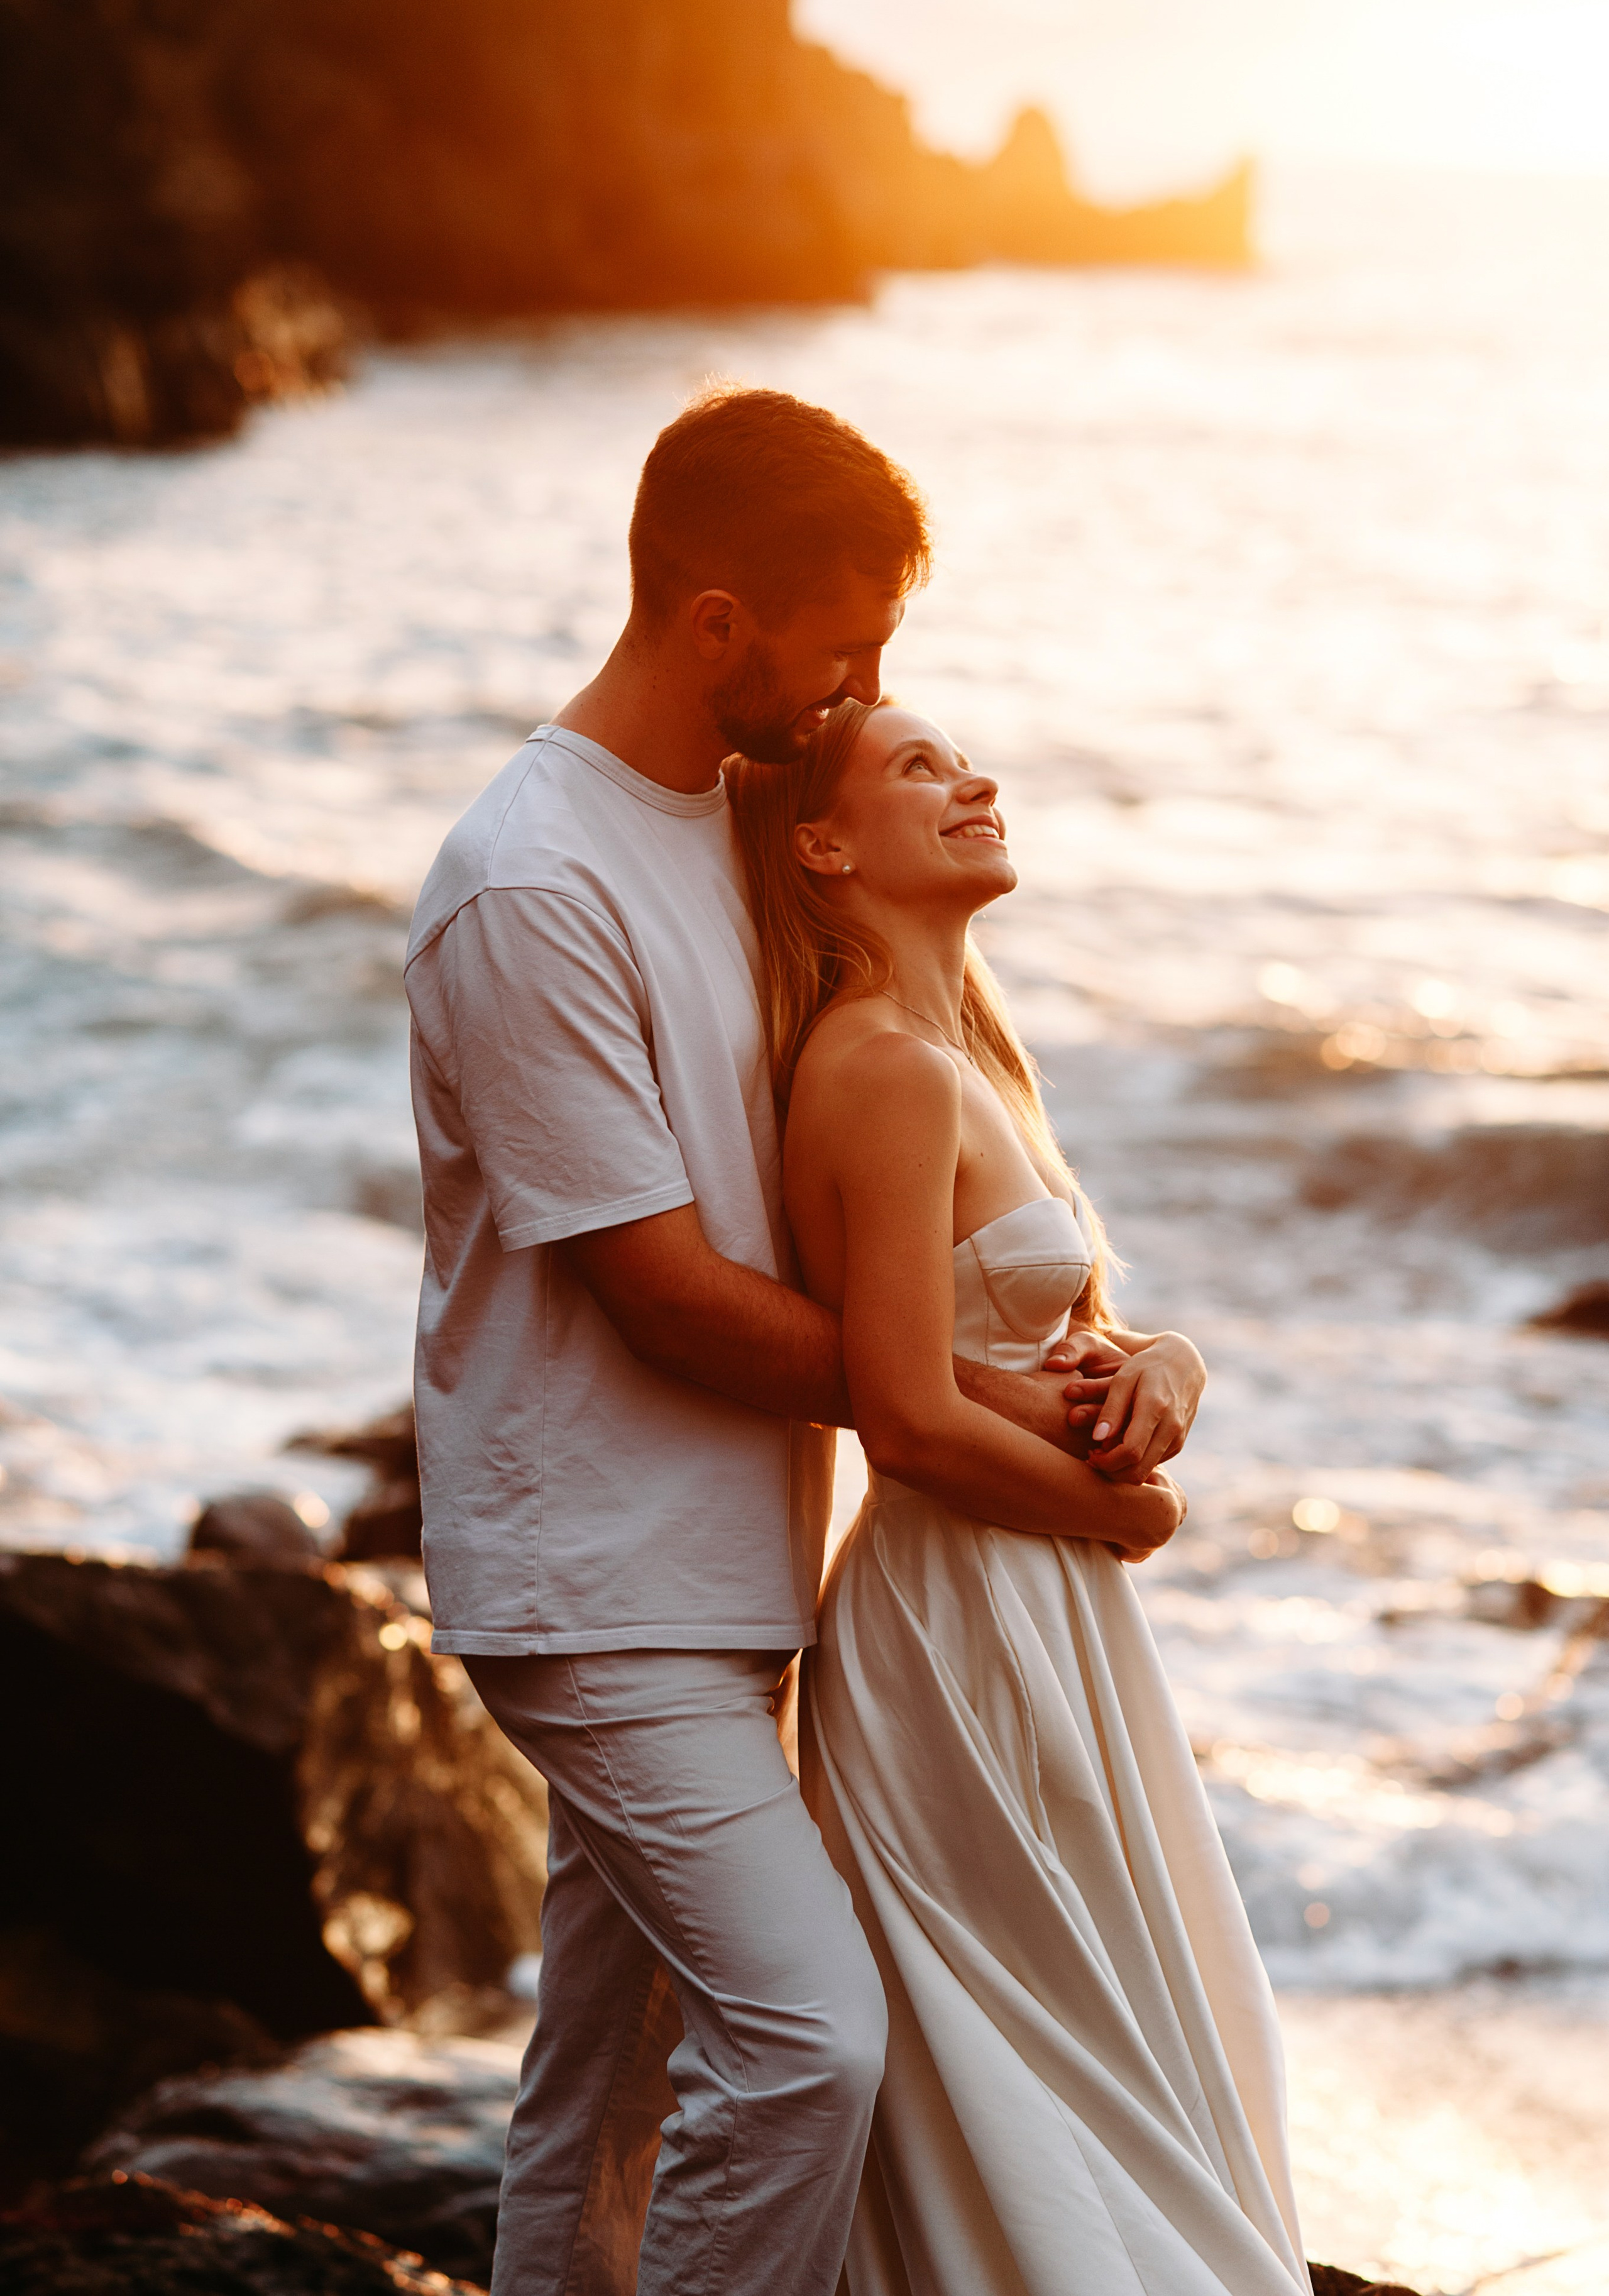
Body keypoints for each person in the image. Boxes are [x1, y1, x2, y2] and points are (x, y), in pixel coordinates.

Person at [403, 387, 1193, 2296]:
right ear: (717, 622)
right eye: (845, 642)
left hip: (736, 1569)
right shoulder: (533, 881)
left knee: (600, 2093)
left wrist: (1105, 1349)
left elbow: (898, 1174)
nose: (867, 688)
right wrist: (966, 1402)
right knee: (808, 2039)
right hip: (591, 1582)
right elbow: (659, 1286)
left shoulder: (731, 825)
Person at [726, 698, 1311, 2296]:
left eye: (963, 759)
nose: (974, 779)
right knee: (1041, 2045)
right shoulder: (877, 1068)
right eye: (919, 766)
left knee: (1125, 2009)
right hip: (963, 1611)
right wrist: (1130, 1518)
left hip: (1031, 1600)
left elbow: (1059, 1335)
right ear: (823, 846)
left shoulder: (966, 1051)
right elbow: (904, 1415)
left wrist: (1165, 1363)